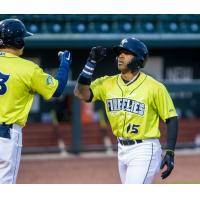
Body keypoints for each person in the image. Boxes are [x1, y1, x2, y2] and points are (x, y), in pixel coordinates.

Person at [74, 37, 178, 184]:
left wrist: (170, 152)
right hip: (122, 149)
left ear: (139, 59)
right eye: (119, 52)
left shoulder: (155, 87)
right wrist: (90, 64)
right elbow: (81, 93)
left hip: (145, 148)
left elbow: (171, 118)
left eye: (127, 53)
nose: (121, 56)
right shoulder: (106, 83)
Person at [0, 18, 72, 184]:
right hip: (6, 134)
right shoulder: (28, 68)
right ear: (18, 42)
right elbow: (57, 89)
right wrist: (65, 64)